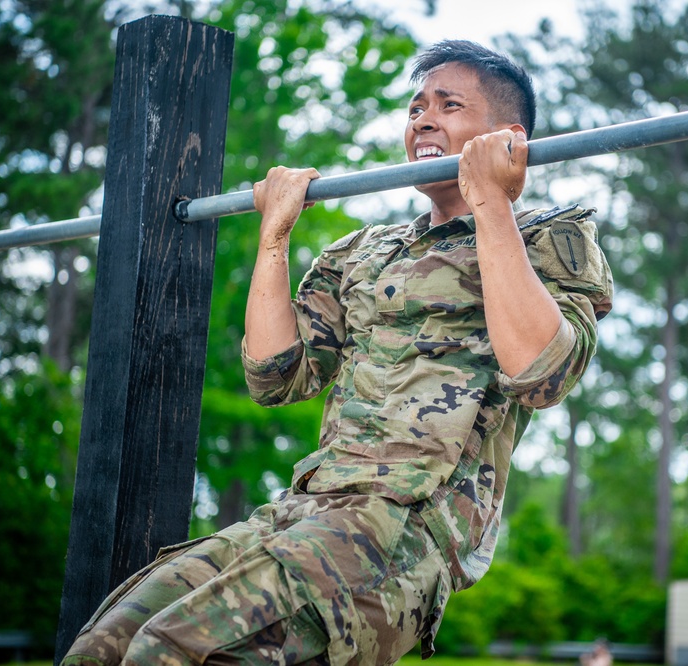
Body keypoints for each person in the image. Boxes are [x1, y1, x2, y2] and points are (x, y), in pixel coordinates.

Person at [61, 39, 612, 666]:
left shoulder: (550, 236)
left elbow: (543, 374)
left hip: (401, 530)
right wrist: (275, 237)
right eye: (415, 108)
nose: (423, 120)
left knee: (166, 652)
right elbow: (276, 377)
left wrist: (491, 200)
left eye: (449, 105)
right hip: (305, 507)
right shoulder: (362, 251)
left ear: (507, 136)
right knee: (101, 647)